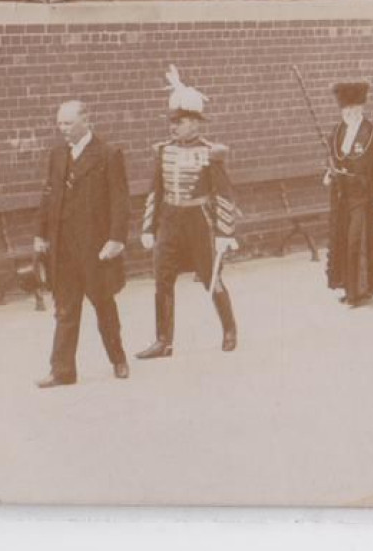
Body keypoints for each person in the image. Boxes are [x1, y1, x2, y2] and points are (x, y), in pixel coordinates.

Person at [135, 68, 241, 359]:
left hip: (199, 222)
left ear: (195, 123)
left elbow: (224, 195)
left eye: (179, 122)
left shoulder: (211, 153)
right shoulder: (163, 151)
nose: (173, 127)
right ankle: (163, 340)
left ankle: (229, 329)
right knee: (162, 278)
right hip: (169, 220)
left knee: (210, 277)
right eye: (172, 122)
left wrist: (224, 233)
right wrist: (147, 228)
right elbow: (155, 192)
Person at [33, 100, 129, 388]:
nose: (62, 129)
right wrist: (41, 234)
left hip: (95, 247)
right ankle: (62, 370)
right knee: (65, 309)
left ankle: (118, 359)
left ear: (86, 120)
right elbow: (48, 196)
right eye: (60, 124)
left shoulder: (108, 154)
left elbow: (120, 201)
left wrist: (116, 239)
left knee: (103, 304)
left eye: (68, 123)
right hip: (63, 248)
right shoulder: (57, 154)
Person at [324, 80, 373, 308]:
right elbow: (332, 160)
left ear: (362, 108)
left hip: (364, 196)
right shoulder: (337, 131)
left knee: (358, 240)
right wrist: (329, 174)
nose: (350, 113)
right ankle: (348, 286)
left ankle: (360, 290)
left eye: (355, 109)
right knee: (343, 240)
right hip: (341, 197)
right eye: (346, 109)